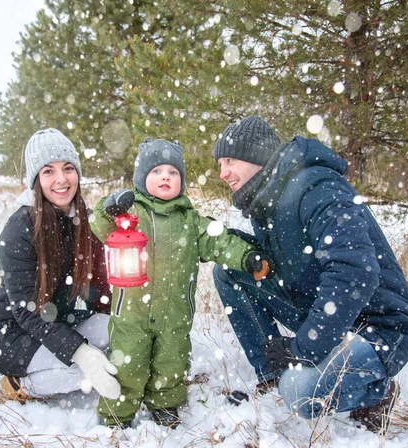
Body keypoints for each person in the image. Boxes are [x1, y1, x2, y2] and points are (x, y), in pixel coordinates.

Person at [212, 116, 408, 434]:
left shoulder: (315, 184)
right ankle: (272, 374)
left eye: (230, 160)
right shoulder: (266, 200)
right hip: (326, 315)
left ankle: (376, 391)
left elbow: (354, 270)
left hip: (379, 327)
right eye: (220, 164)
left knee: (300, 391)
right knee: (230, 271)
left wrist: (303, 349)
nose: (223, 172)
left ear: (256, 155)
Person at [90, 137, 272, 429]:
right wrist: (109, 207)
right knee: (127, 364)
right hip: (132, 313)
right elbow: (100, 225)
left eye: (173, 172)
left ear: (181, 181)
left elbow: (220, 241)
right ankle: (117, 413)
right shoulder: (130, 213)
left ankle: (165, 404)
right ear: (141, 179)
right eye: (157, 171)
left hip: (175, 312)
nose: (165, 177)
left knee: (171, 362)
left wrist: (247, 256)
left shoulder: (191, 220)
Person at [0, 128, 121, 404]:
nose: (61, 179)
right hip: (9, 333)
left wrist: (117, 318)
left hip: (57, 320)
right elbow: (27, 313)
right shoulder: (19, 230)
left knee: (121, 333)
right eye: (48, 171)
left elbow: (99, 287)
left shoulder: (83, 222)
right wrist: (82, 353)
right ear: (36, 180)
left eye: (68, 168)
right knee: (83, 375)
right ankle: (13, 386)